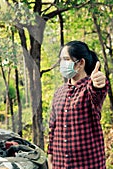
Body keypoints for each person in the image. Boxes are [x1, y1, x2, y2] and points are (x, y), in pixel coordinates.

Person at [47, 40, 109, 169]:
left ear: (80, 63)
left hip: (87, 164)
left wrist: (99, 83)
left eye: (66, 59)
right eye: (61, 60)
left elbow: (97, 92)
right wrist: (50, 153)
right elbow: (53, 127)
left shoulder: (88, 89)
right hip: (60, 164)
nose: (62, 64)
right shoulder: (59, 92)